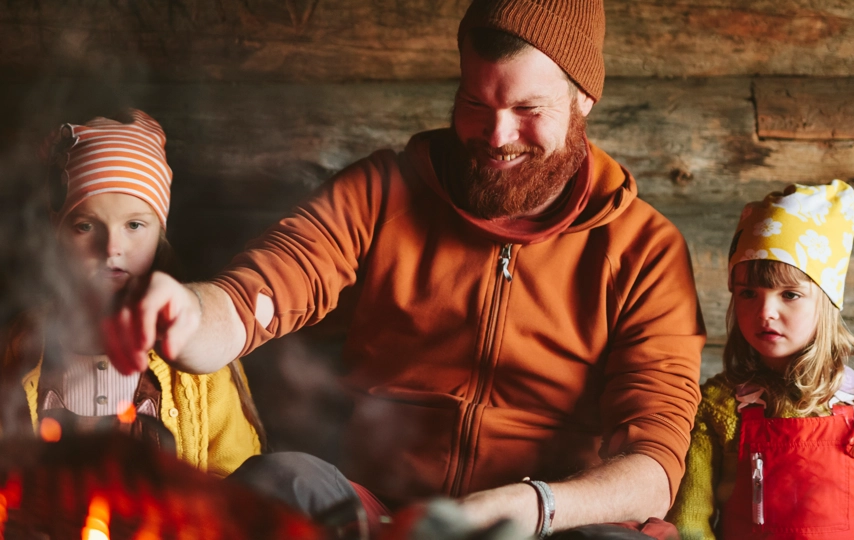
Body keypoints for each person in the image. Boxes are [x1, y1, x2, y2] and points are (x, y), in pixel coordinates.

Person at [104, 1, 706, 538]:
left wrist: (528, 508)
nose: (497, 135)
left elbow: (653, 469)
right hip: (379, 515)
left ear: (583, 100)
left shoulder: (646, 250)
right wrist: (186, 314)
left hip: (550, 520)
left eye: (528, 109)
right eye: (476, 102)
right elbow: (258, 292)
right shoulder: (382, 191)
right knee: (280, 482)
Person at [0, 109, 264, 478]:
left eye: (134, 225)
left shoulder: (199, 349)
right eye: (85, 225)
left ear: (159, 233)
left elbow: (237, 480)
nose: (111, 248)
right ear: (57, 235)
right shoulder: (21, 343)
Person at [666, 180, 854, 539]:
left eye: (790, 294)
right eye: (748, 293)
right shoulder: (718, 407)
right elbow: (689, 521)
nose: (766, 312)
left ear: (826, 303)